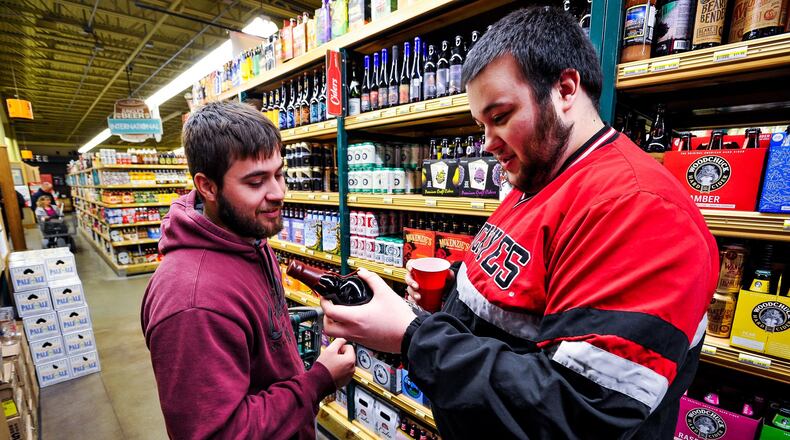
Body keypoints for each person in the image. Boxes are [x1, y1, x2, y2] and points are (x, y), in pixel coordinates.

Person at [321, 7, 718, 439]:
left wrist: (414, 337)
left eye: (501, 116)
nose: (487, 143)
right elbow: (514, 292)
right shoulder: (537, 178)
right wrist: (449, 291)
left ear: (565, 89)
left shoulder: (639, 209)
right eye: (480, 124)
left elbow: (581, 411)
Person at [141, 102, 356, 439]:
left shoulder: (248, 237)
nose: (279, 193)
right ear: (208, 187)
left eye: (279, 174)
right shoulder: (192, 302)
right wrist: (317, 381)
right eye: (256, 182)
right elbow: (219, 434)